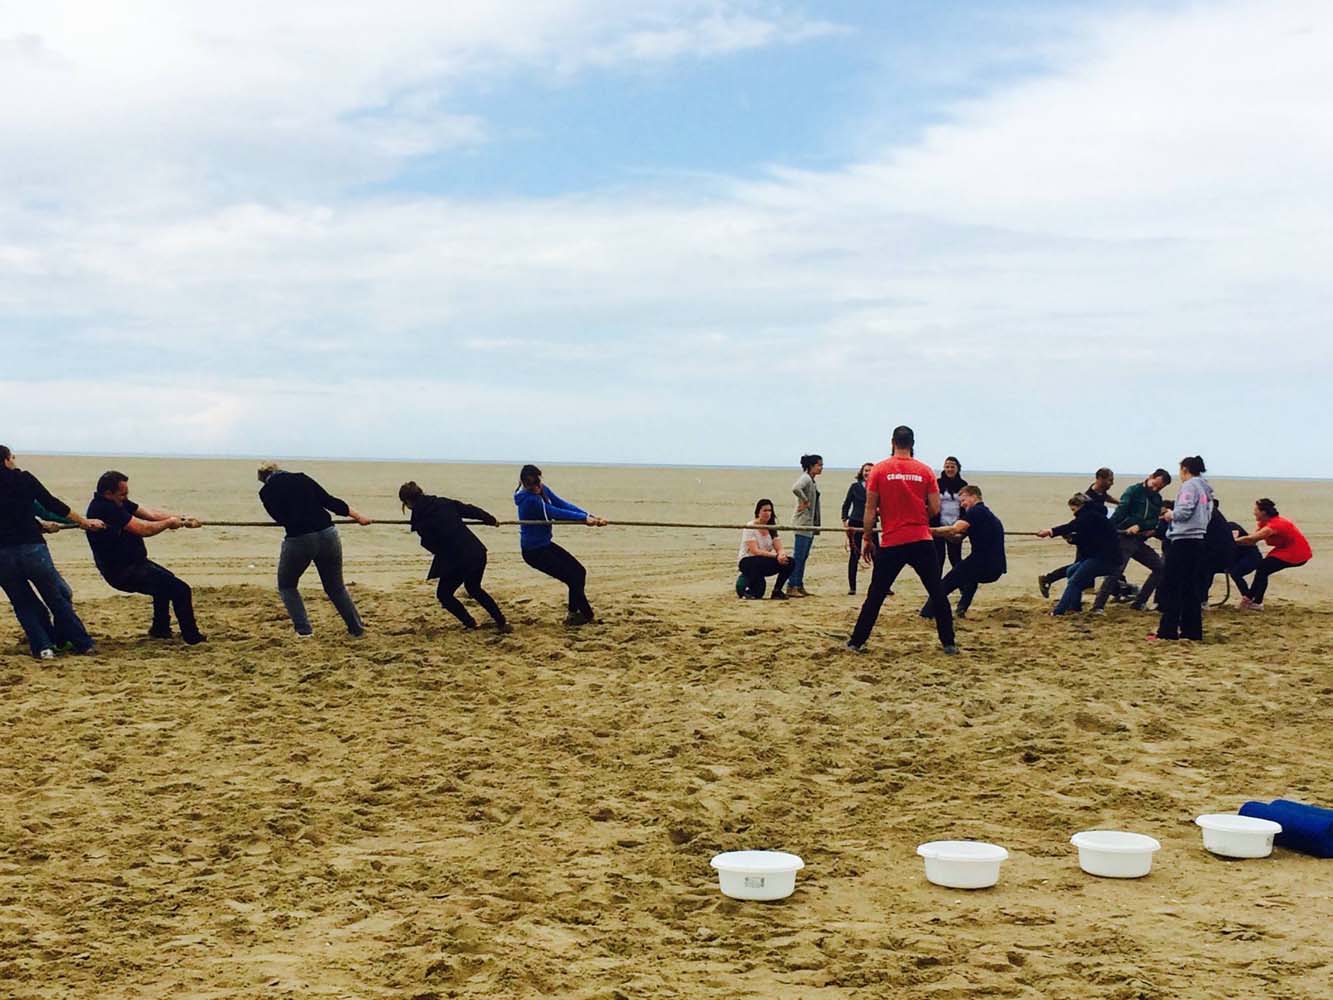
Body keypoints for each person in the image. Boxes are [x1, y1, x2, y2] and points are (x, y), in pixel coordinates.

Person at [847, 426, 956, 655]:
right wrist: (917, 517)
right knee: (936, 592)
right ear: (912, 443)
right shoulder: (925, 471)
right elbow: (936, 508)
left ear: (892, 442)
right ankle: (948, 643)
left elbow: (870, 509)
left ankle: (856, 642)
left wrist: (867, 537)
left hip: (892, 541)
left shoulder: (879, 470)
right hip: (921, 539)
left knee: (876, 595)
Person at [1, 446, 103, 659]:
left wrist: (40, 525)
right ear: (6, 461)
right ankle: (83, 644)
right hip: (32, 548)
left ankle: (43, 649)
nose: (14, 461)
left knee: (22, 603)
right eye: (13, 458)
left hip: (2, 555)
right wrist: (82, 521)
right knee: (56, 597)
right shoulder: (24, 479)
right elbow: (51, 503)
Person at [86, 470, 206, 644]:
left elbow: (150, 515)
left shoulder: (119, 502)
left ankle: (160, 629)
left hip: (137, 563)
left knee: (166, 584)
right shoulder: (104, 508)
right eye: (122, 494)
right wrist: (168, 524)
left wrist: (182, 519)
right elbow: (143, 529)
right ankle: (192, 636)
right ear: (108, 493)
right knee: (181, 590)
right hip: (122, 571)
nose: (125, 497)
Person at [258, 462, 370, 638]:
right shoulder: (302, 478)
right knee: (336, 587)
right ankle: (356, 628)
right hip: (328, 533)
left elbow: (279, 517)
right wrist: (358, 516)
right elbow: (329, 501)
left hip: (299, 539)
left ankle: (304, 630)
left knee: (287, 585)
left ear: (263, 477)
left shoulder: (266, 492)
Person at [400, 481, 511, 633]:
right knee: (474, 588)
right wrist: (491, 520)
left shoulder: (419, 518)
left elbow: (430, 544)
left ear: (407, 502)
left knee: (444, 594)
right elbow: (470, 510)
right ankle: (501, 621)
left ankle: (471, 623)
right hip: (476, 552)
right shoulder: (443, 502)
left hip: (457, 559)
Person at [513, 465, 606, 626]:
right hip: (534, 552)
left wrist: (589, 515)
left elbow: (561, 504)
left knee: (579, 572)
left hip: (545, 544)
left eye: (537, 482)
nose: (536, 487)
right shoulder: (529, 500)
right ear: (523, 483)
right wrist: (584, 520)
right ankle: (587, 616)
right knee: (572, 579)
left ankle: (573, 614)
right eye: (531, 485)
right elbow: (555, 512)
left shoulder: (541, 489)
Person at [920, 485, 1006, 620]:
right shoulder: (987, 515)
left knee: (945, 584)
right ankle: (961, 609)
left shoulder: (976, 512)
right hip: (995, 565)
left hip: (982, 562)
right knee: (970, 579)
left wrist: (926, 531)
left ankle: (926, 614)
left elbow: (955, 529)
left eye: (964, 500)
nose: (962, 504)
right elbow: (957, 538)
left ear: (974, 497)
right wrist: (941, 535)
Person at [1152, 456, 1214, 641]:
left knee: (1173, 586)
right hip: (1198, 539)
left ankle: (1167, 631)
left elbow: (1184, 511)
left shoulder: (1189, 486)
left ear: (1185, 469)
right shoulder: (1205, 489)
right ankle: (1192, 631)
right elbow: (1208, 513)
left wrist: (1170, 514)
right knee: (1190, 588)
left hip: (1183, 540)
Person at [1092, 468, 1171, 613]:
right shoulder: (1133, 491)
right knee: (1116, 571)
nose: (1154, 489)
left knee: (1160, 567)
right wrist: (1110, 529)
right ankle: (1098, 606)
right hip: (1124, 538)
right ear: (1151, 476)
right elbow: (1120, 511)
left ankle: (1139, 602)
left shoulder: (1157, 499)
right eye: (1154, 484)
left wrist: (1140, 526)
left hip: (1139, 540)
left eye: (1159, 488)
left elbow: (1153, 521)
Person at [1037, 467, 1118, 598]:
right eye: (1110, 480)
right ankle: (1051, 581)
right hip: (1087, 539)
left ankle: (1052, 582)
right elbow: (1078, 522)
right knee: (1079, 570)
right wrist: (1052, 531)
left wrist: (1120, 503)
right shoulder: (1087, 498)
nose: (1112, 483)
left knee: (1084, 569)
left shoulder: (1100, 492)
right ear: (1099, 479)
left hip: (1097, 538)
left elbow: (1105, 497)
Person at [1037, 492, 1120, 615]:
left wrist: (1050, 531)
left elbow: (1072, 526)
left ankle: (1059, 611)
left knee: (1074, 581)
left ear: (1080, 505)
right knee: (1071, 571)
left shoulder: (1089, 516)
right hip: (1100, 556)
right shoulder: (1093, 515)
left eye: (1073, 509)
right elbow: (1086, 538)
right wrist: (1072, 539)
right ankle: (1074, 606)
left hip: (1105, 559)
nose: (1073, 513)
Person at [1234, 498, 1312, 610]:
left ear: (1263, 512)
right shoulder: (1264, 523)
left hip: (1297, 552)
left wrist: (1229, 541)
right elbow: (1252, 541)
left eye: (1256, 510)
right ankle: (1254, 601)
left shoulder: (1274, 525)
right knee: (1263, 569)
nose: (1254, 512)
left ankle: (1251, 600)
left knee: (1263, 568)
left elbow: (1251, 539)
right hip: (1284, 549)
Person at [736, 498, 793, 600]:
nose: (767, 513)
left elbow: (779, 547)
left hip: (763, 559)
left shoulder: (771, 528)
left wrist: (781, 555)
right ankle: (747, 589)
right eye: (765, 510)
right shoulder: (750, 526)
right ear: (758, 512)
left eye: (770, 511)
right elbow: (755, 551)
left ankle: (777, 590)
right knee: (757, 563)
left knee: (790, 562)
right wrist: (775, 556)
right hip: (748, 560)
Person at [787, 454, 823, 597]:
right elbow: (795, 488)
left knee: (804, 556)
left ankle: (799, 584)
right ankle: (791, 585)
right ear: (811, 466)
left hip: (809, 524)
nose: (821, 468)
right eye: (819, 465)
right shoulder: (806, 478)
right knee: (799, 556)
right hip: (802, 523)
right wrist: (805, 500)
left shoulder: (811, 481)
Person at [840, 463, 873, 595]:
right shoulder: (855, 487)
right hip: (855, 522)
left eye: (870, 471)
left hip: (870, 523)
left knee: (877, 555)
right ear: (861, 472)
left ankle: (882, 586)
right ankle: (852, 587)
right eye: (865, 470)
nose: (867, 473)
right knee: (855, 555)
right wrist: (844, 520)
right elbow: (846, 504)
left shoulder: (877, 486)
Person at [933, 457, 968, 572]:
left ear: (958, 468)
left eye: (952, 467)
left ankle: (962, 585)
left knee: (955, 558)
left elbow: (966, 506)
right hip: (939, 525)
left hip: (955, 526)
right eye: (947, 467)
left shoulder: (963, 485)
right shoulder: (937, 483)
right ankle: (936, 586)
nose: (949, 469)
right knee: (938, 558)